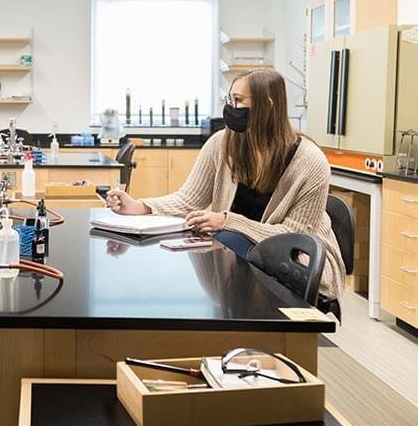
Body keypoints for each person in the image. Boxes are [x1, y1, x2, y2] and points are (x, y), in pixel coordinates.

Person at [106, 69, 346, 312]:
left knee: (227, 242)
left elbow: (293, 237)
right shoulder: (222, 143)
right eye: (229, 100)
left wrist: (228, 222)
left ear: (268, 106)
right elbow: (189, 199)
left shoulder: (311, 162)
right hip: (241, 256)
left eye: (239, 101)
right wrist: (140, 206)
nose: (231, 107)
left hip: (296, 263)